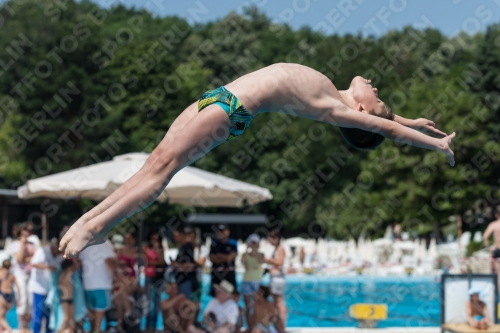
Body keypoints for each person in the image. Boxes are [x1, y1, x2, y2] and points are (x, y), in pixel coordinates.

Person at [59, 63, 456, 258]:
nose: (375, 86)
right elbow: (386, 122)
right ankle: (89, 224)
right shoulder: (337, 95)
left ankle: (96, 228)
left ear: (362, 112)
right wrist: (412, 119)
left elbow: (384, 129)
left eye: (378, 99)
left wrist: (432, 144)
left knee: (162, 172)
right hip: (218, 96)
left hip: (232, 110)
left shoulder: (334, 109)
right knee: (154, 163)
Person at [79, 240, 116, 333]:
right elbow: (109, 262)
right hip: (102, 283)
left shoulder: (85, 243)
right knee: (100, 309)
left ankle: (91, 329)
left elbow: (79, 261)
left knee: (91, 308)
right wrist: (116, 277)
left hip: (87, 283)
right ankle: (97, 330)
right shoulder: (105, 243)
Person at [29, 239, 64, 333]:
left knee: (50, 316)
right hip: (39, 289)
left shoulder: (59, 256)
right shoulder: (42, 251)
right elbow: (33, 263)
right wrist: (48, 267)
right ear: (53, 247)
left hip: (51, 291)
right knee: (38, 315)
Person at [9, 222, 35, 333]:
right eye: (27, 230)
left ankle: (27, 326)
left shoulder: (33, 243)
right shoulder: (15, 244)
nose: (29, 233)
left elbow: (34, 259)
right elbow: (20, 259)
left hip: (31, 274)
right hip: (20, 275)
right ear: (22, 231)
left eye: (30, 231)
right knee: (22, 299)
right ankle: (21, 327)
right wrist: (22, 245)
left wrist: (26, 259)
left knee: (30, 302)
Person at [263, 229, 287, 330]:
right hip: (275, 278)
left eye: (270, 238)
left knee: (279, 303)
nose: (269, 241)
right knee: (276, 302)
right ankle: (279, 326)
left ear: (276, 239)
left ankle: (282, 326)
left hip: (277, 278)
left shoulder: (280, 249)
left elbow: (280, 262)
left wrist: (267, 260)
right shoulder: (276, 249)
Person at [143, 229, 166, 332]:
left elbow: (161, 261)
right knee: (148, 301)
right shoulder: (145, 247)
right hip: (149, 277)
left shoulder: (160, 248)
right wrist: (155, 262)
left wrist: (157, 250)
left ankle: (154, 325)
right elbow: (146, 262)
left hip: (158, 277)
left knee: (157, 302)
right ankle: (148, 325)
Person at [114, 231, 138, 329]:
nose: (127, 241)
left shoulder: (137, 251)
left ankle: (120, 325)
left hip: (130, 280)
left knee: (122, 296)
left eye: (129, 239)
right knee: (121, 299)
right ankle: (129, 314)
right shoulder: (120, 250)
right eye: (126, 239)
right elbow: (114, 264)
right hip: (121, 280)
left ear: (134, 240)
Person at [241, 233, 264, 325]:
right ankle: (250, 326)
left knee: (257, 305)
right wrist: (247, 248)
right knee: (247, 306)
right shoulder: (245, 254)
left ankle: (256, 325)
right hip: (247, 280)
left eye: (255, 242)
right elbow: (243, 263)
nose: (253, 244)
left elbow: (260, 260)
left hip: (257, 281)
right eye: (252, 242)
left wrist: (254, 250)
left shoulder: (261, 254)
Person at [209, 225, 237, 297]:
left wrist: (219, 256)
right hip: (216, 277)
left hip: (229, 276)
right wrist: (226, 257)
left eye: (222, 231)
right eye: (219, 231)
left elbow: (233, 257)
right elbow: (212, 258)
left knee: (231, 297)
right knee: (216, 298)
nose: (220, 233)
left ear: (227, 232)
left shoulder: (233, 243)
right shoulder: (214, 243)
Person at [171, 227, 197, 300]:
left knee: (186, 303)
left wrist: (176, 265)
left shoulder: (188, 247)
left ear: (182, 235)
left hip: (186, 280)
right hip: (180, 280)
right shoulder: (182, 247)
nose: (174, 238)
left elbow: (190, 265)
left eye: (176, 236)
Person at [0, 259, 20, 333]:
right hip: (11, 296)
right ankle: (2, 329)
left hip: (3, 295)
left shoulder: (1, 274)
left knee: (0, 317)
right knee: (3, 314)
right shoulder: (11, 275)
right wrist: (19, 299)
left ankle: (9, 329)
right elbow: (18, 287)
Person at [187, 228, 206, 304]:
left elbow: (201, 263)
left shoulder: (202, 248)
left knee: (196, 302)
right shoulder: (185, 249)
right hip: (186, 279)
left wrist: (191, 262)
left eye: (192, 237)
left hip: (197, 279)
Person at [59, 259, 76, 333]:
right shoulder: (63, 274)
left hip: (70, 298)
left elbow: (75, 267)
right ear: (69, 266)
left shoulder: (70, 273)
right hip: (65, 299)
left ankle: (72, 331)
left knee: (72, 318)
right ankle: (60, 331)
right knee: (66, 317)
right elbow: (60, 284)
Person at [483, 211, 500, 289]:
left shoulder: (494, 225)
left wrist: (489, 248)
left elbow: (485, 237)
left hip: (497, 249)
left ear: (497, 215)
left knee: (499, 274)